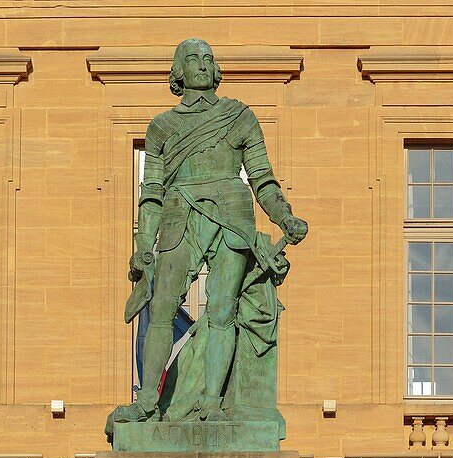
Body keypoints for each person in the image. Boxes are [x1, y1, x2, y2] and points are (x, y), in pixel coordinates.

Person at [109, 38, 308, 428]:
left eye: (208, 59)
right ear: (178, 71)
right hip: (179, 214)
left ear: (216, 70)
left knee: (222, 311)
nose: (202, 66)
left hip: (233, 217)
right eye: (193, 60)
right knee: (161, 306)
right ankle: (148, 402)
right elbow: (150, 193)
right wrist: (142, 246)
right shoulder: (162, 127)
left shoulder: (239, 117)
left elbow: (263, 180)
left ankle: (213, 404)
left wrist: (285, 217)